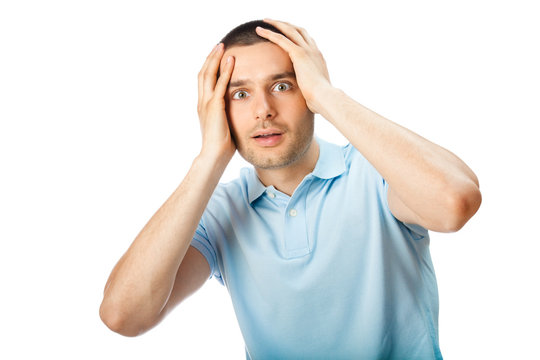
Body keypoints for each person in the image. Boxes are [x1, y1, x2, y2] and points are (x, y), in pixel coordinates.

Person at [99, 19, 482, 359]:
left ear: (307, 94)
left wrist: (328, 96)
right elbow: (123, 317)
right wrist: (208, 160)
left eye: (282, 86)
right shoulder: (219, 212)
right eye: (240, 94)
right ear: (217, 109)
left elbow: (455, 203)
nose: (263, 109)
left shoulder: (377, 174)